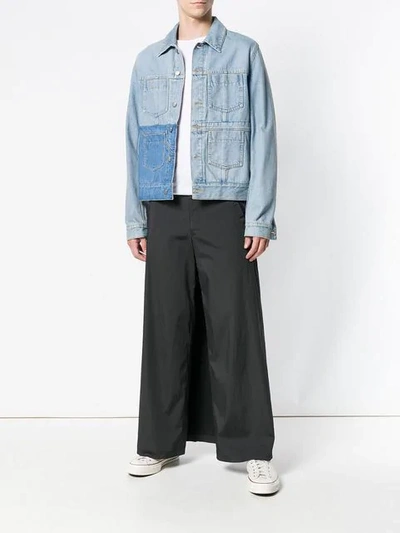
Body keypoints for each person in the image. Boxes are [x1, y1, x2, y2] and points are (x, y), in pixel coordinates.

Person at [125, 1, 280, 495]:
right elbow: (135, 140)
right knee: (165, 324)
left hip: (225, 205)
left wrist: (259, 215)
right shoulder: (149, 61)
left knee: (235, 325)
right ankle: (159, 443)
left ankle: (253, 449)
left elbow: (263, 133)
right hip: (163, 206)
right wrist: (136, 216)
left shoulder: (244, 52)